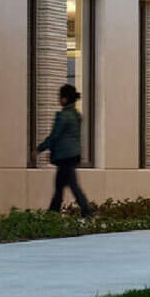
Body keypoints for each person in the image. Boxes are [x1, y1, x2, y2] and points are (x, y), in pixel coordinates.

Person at [38, 84, 92, 218]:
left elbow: (54, 136)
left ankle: (86, 211)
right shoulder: (76, 116)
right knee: (60, 186)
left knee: (71, 186)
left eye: (60, 96)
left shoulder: (63, 116)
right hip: (73, 155)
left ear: (64, 99)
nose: (58, 99)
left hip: (64, 156)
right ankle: (53, 213)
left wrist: (39, 149)